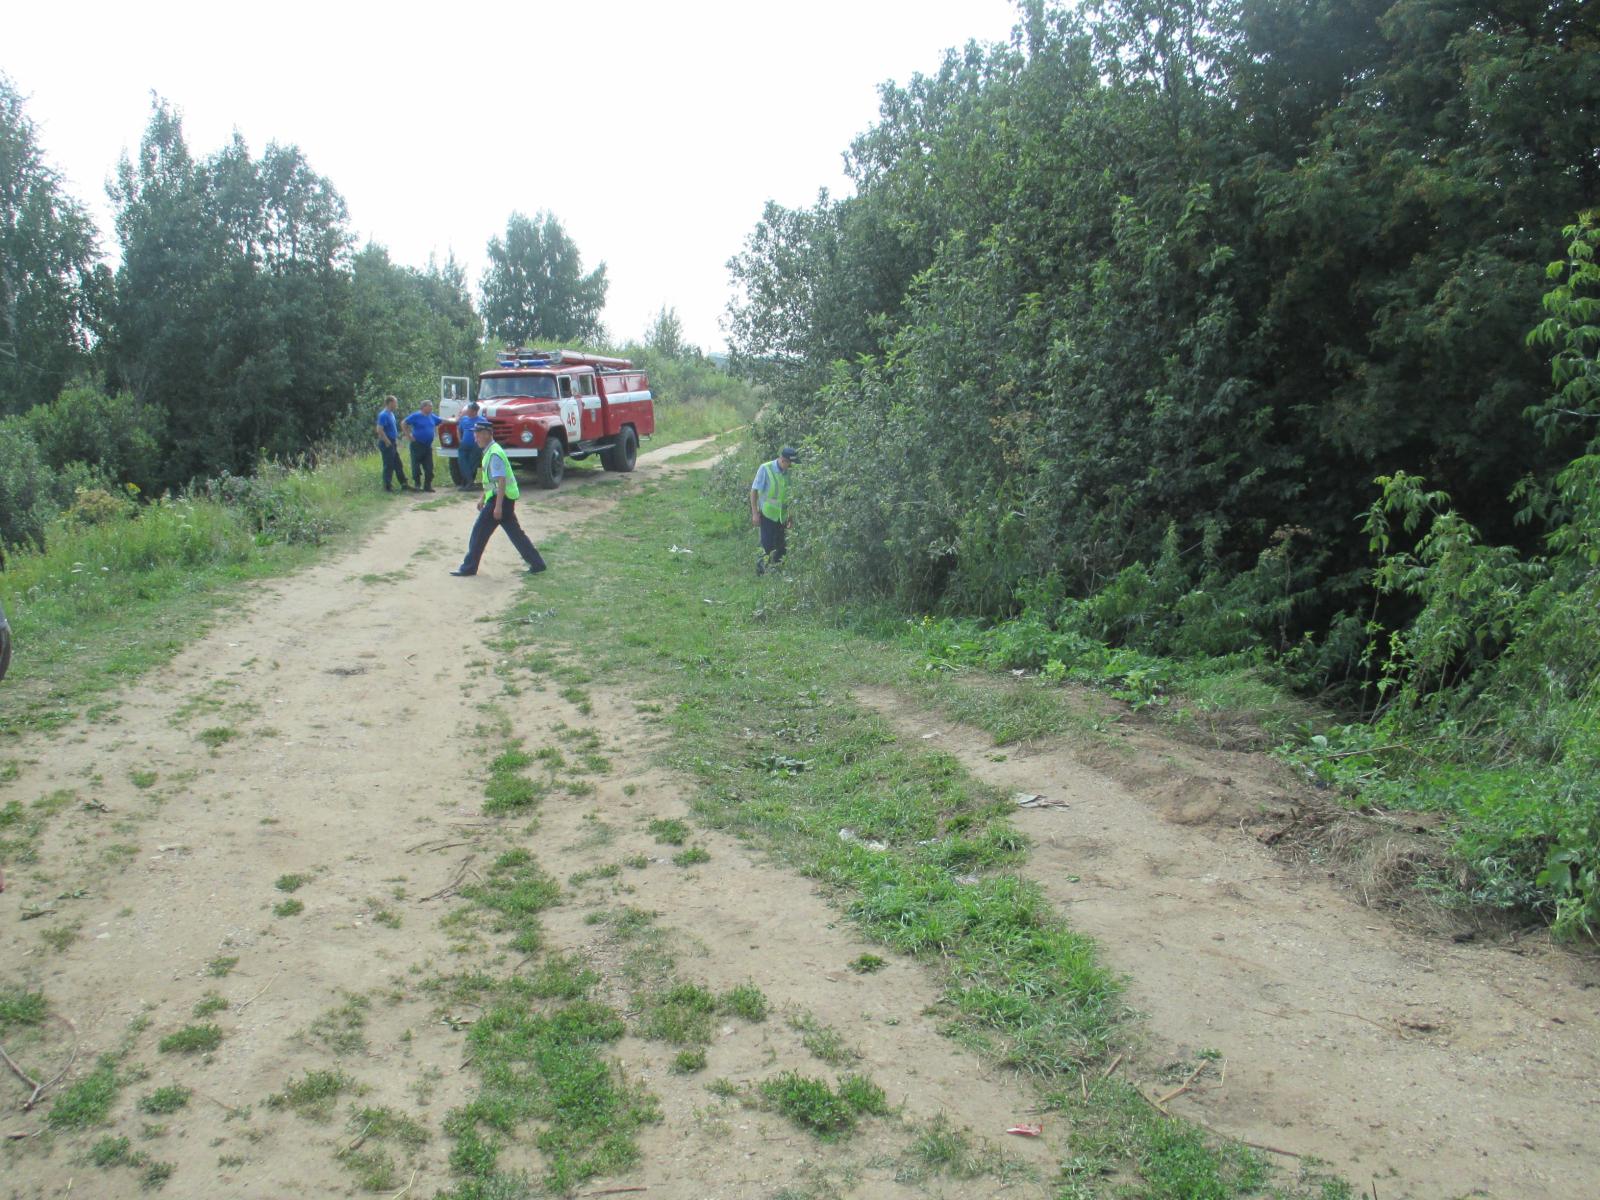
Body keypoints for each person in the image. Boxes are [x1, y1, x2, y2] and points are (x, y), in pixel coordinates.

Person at [450, 423, 547, 577]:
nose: (475, 437)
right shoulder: (491, 451)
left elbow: (501, 481)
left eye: (478, 434)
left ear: (488, 434)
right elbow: (492, 481)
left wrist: (498, 507)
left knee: (478, 533)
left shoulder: (494, 453)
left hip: (499, 500)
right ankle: (537, 563)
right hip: (501, 499)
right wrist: (483, 497)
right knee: (516, 534)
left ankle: (468, 567)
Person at [750, 445, 800, 574]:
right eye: (790, 463)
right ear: (783, 460)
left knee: (782, 547)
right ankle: (761, 573)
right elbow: (754, 491)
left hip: (782, 516)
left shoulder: (789, 473)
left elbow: (791, 496)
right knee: (766, 545)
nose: (791, 466)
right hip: (767, 515)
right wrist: (755, 513)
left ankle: (777, 572)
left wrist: (790, 516)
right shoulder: (765, 469)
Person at [402, 399, 441, 492]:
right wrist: (408, 435)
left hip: (427, 446)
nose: (431, 407)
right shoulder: (416, 416)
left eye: (431, 406)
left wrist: (455, 420)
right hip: (417, 445)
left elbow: (441, 420)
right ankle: (417, 484)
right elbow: (404, 423)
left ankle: (427, 485)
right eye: (429, 406)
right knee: (416, 465)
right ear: (424, 407)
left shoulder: (431, 416)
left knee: (429, 466)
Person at [375, 395, 409, 492]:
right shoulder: (383, 415)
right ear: (390, 403)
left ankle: (404, 483)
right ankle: (387, 487)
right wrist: (387, 441)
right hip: (386, 442)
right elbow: (379, 430)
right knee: (389, 465)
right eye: (395, 402)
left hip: (392, 441)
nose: (396, 405)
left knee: (397, 463)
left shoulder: (391, 414)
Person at [455, 402, 484, 491]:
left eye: (469, 410)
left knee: (472, 464)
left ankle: (467, 484)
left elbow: (487, 432)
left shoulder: (482, 420)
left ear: (475, 411)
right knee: (462, 462)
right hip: (464, 444)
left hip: (476, 445)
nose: (467, 411)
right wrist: (460, 440)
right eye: (467, 409)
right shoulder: (464, 419)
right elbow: (459, 430)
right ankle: (469, 482)